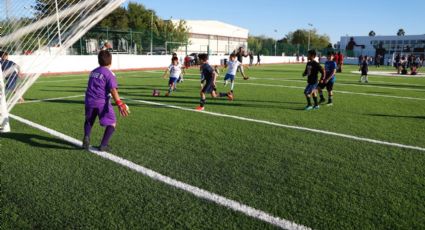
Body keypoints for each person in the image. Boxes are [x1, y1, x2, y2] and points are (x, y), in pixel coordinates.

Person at [82, 50, 129, 151]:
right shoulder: (109, 74)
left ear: (98, 61)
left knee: (89, 121)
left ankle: (86, 137)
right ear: (111, 62)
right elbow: (113, 90)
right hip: (101, 102)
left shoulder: (93, 72)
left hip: (89, 100)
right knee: (112, 123)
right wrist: (120, 103)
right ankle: (103, 145)